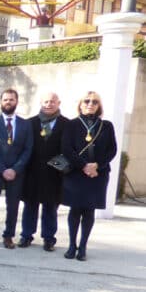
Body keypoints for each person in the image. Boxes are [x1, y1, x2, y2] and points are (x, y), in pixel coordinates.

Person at [61, 92, 117, 261]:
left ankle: (83, 246)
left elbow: (112, 149)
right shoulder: (72, 124)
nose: (90, 104)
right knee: (75, 209)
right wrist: (84, 165)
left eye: (94, 102)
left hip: (97, 175)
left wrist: (96, 165)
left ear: (99, 106)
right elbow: (66, 148)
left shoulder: (106, 125)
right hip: (76, 173)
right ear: (80, 104)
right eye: (87, 101)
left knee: (89, 210)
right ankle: (72, 245)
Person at [0, 89, 34, 248]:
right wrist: (2, 169)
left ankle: (8, 236)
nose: (8, 102)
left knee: (13, 206)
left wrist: (15, 169)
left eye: (11, 99)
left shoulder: (26, 124)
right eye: (5, 99)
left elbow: (28, 149)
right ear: (1, 102)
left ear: (17, 102)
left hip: (16, 173)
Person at [18, 92, 68, 251]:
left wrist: (56, 164)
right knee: (30, 206)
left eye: (52, 101)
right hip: (32, 172)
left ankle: (49, 239)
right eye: (46, 101)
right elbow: (23, 147)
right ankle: (26, 236)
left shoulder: (67, 124)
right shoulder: (29, 123)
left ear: (58, 103)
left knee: (51, 208)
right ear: (41, 103)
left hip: (54, 174)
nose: (49, 104)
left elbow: (68, 149)